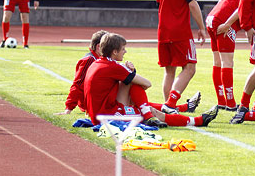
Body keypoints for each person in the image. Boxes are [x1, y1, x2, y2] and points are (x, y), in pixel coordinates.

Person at [84, 33, 218, 128]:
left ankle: (170, 110)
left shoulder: (99, 63)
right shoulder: (113, 66)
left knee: (133, 88)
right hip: (108, 116)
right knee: (153, 112)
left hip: (101, 112)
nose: (125, 52)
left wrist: (130, 73)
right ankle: (198, 121)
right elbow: (147, 84)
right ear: (114, 52)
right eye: (123, 49)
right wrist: (130, 72)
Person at [56, 29, 200, 116]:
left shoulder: (102, 62)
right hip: (98, 106)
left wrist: (130, 72)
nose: (123, 51)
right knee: (138, 99)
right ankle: (182, 115)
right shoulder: (90, 61)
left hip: (100, 104)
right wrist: (69, 108)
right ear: (100, 47)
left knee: (134, 94)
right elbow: (77, 84)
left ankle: (180, 108)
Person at [155, 0, 207, 114]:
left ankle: (166, 106)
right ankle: (170, 104)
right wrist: (201, 27)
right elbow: (192, 3)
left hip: (163, 31)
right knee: (190, 68)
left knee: (169, 71)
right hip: (180, 31)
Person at [206, 0, 241, 111]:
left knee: (217, 61)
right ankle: (230, 103)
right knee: (227, 62)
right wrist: (228, 24)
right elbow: (241, 8)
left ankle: (221, 101)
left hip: (211, 19)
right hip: (223, 21)